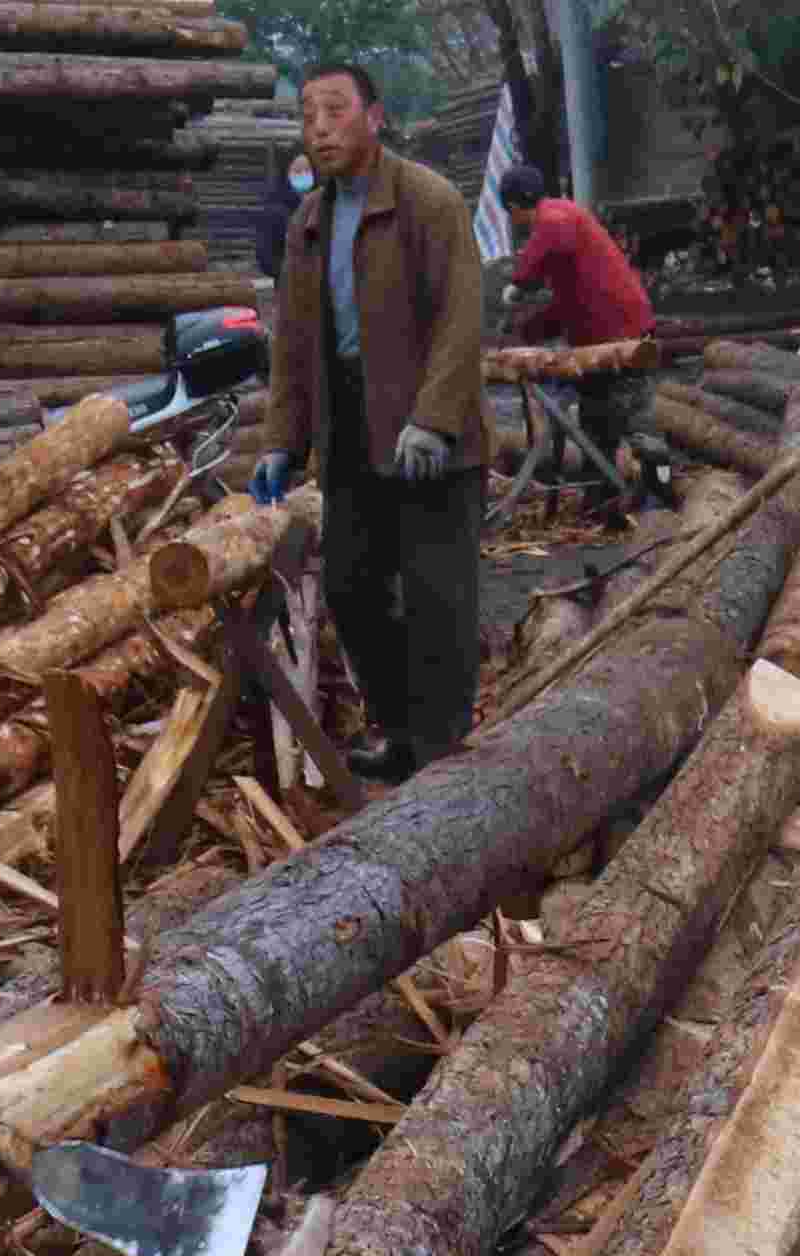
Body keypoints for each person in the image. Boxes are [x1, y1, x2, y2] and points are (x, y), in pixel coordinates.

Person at [261, 58, 489, 781]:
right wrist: (281, 443)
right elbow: (294, 344)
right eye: (308, 116)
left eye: (334, 110)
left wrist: (434, 419)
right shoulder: (308, 221)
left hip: (430, 436)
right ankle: (398, 728)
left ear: (376, 117)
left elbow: (461, 317)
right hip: (352, 430)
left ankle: (442, 751)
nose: (320, 129)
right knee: (352, 587)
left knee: (436, 596)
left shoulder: (428, 201)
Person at [494, 167, 661, 520]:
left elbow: (544, 250)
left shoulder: (556, 217)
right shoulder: (567, 231)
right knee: (600, 422)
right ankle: (603, 501)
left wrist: (519, 283)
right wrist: (528, 330)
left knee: (629, 421)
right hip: (620, 332)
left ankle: (654, 496)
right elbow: (567, 302)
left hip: (620, 341)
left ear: (513, 206)